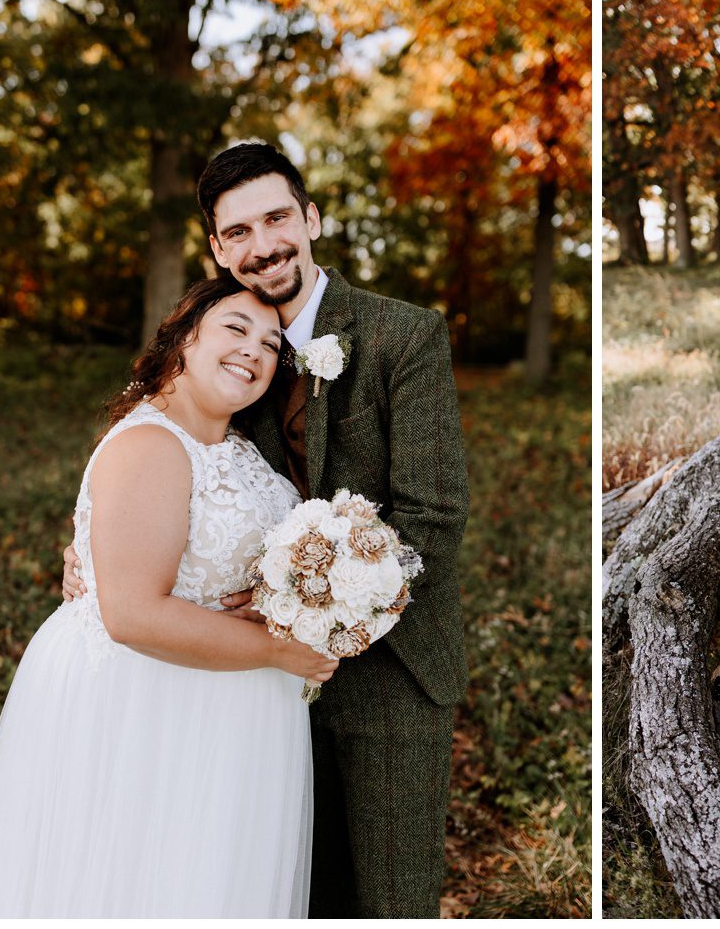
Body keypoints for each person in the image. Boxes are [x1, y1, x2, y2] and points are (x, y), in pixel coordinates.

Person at [64, 141, 470, 917]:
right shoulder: (223, 348)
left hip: (390, 667)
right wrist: (89, 546)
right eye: (238, 232)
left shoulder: (402, 336)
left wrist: (317, 623)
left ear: (310, 218)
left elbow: (433, 518)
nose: (264, 245)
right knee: (277, 887)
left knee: (389, 897)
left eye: (277, 218)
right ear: (217, 247)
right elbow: (157, 456)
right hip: (242, 685)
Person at [0, 279, 338, 918]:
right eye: (236, 328)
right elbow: (132, 614)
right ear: (185, 337)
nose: (256, 351)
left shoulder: (239, 449)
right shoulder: (150, 444)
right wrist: (283, 650)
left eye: (272, 344)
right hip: (146, 704)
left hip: (229, 705)